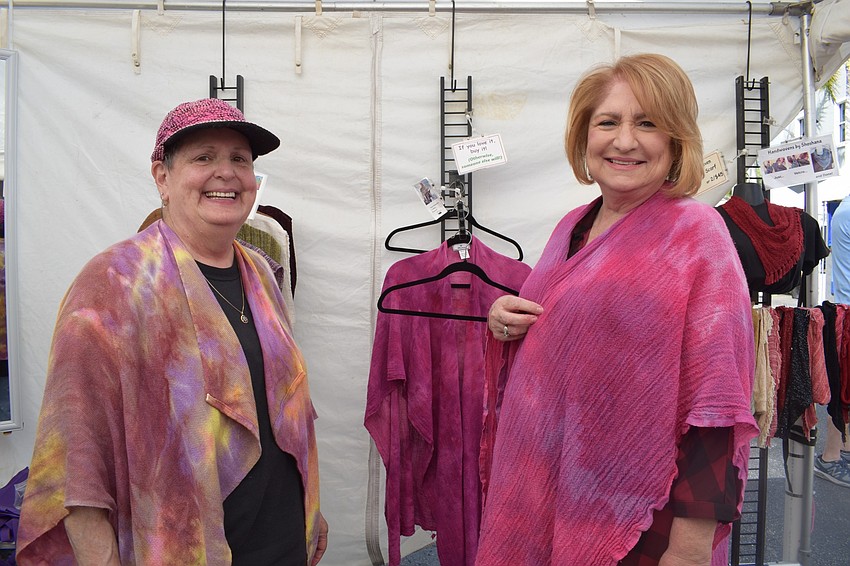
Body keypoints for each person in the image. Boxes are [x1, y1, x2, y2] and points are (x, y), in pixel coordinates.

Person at [15, 98, 328, 565]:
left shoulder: (261, 273)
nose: (226, 173)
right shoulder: (113, 284)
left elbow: (281, 408)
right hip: (177, 545)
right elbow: (76, 462)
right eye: (204, 157)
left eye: (239, 159)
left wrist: (311, 511)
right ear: (162, 176)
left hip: (281, 540)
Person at [476, 54, 758, 565]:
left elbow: (715, 406)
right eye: (608, 122)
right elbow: (565, 338)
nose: (625, 141)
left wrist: (690, 547)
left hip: (642, 523)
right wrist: (503, 321)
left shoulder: (696, 235)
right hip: (543, 496)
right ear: (584, 137)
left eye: (647, 123)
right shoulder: (572, 227)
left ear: (675, 141)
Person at [817, 193, 850, 488]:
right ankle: (830, 457)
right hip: (848, 311)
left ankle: (843, 452)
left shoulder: (844, 209)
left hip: (845, 308)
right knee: (843, 393)